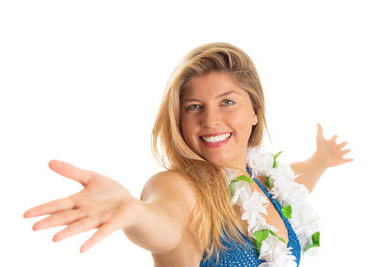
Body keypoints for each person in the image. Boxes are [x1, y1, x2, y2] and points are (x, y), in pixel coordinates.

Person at [23, 42, 353, 267]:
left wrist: (321, 159)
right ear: (179, 121)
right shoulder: (177, 186)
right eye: (194, 107)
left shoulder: (269, 183)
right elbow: (165, 223)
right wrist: (136, 213)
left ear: (255, 111)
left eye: (227, 102)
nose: (210, 120)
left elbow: (300, 179)